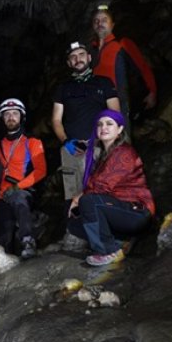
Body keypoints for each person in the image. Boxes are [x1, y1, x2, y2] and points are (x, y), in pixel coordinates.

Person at [67, 109, 155, 266]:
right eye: (100, 124)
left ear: (120, 129)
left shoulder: (124, 152)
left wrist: (77, 199)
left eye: (109, 124)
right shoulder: (104, 155)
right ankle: (120, 242)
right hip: (116, 208)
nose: (104, 128)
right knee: (74, 221)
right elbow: (94, 184)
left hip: (136, 211)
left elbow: (102, 186)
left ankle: (108, 251)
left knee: (88, 202)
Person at [53, 41, 121, 201]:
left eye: (81, 54)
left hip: (99, 146)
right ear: (69, 63)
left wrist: (104, 142)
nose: (78, 59)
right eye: (73, 57)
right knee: (73, 197)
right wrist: (66, 141)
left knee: (102, 195)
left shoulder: (104, 83)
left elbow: (115, 114)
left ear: (89, 57)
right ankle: (73, 224)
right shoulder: (63, 88)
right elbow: (56, 120)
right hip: (72, 149)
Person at [0, 99, 48, 258]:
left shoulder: (31, 141)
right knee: (5, 235)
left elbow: (41, 170)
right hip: (1, 195)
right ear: (2, 118)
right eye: (7, 114)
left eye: (15, 113)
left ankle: (28, 241)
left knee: (19, 201)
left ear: (22, 117)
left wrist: (18, 186)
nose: (11, 117)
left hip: (22, 190)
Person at [91, 5, 157, 120]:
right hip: (100, 103)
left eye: (104, 20)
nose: (99, 23)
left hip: (122, 101)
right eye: (96, 21)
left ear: (112, 25)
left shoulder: (122, 44)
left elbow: (142, 67)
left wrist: (152, 91)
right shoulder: (91, 50)